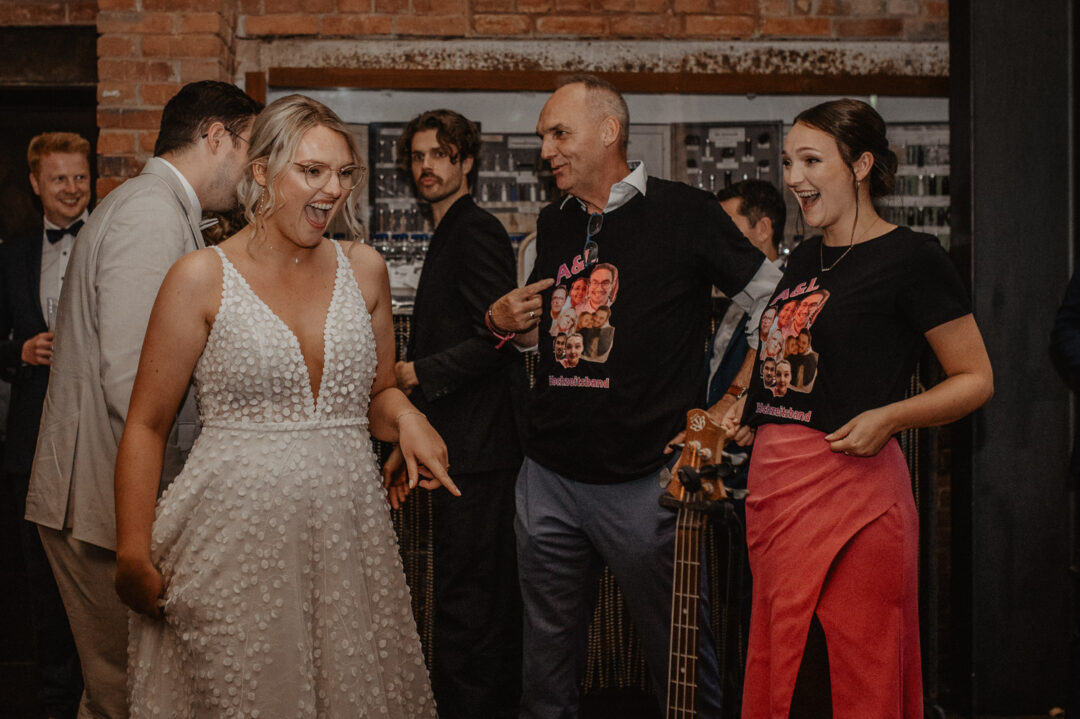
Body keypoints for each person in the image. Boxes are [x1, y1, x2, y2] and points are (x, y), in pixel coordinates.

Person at [113, 94, 453, 717]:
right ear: (262, 171)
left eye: (343, 173)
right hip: (233, 544)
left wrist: (409, 418)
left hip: (348, 541)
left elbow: (375, 395)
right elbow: (146, 423)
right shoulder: (200, 276)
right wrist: (133, 551)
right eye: (312, 171)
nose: (332, 190)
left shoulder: (365, 269)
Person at [488, 74, 782, 717]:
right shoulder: (553, 223)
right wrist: (512, 325)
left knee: (678, 662)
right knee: (544, 665)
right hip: (548, 478)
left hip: (647, 480)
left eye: (559, 133)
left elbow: (777, 303)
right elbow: (551, 341)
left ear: (608, 131)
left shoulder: (686, 213)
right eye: (543, 136)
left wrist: (736, 400)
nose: (546, 150)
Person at [723, 98, 993, 718]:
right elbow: (790, 363)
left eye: (811, 160)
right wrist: (744, 407)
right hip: (777, 499)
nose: (793, 177)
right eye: (789, 161)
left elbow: (976, 378)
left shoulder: (913, 257)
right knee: (788, 679)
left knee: (846, 678)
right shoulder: (804, 261)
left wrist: (890, 417)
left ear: (861, 164)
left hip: (855, 500)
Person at [24, 81, 261, 719]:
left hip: (100, 495)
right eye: (251, 149)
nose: (253, 171)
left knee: (117, 692)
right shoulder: (151, 214)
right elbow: (134, 383)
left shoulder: (157, 206)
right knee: (128, 696)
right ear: (217, 137)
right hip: (98, 503)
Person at [383, 108, 522, 719]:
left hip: (482, 450)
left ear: (466, 162)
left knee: (473, 604)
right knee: (464, 597)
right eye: (417, 156)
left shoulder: (476, 230)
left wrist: (418, 373)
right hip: (452, 439)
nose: (426, 167)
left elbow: (500, 338)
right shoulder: (451, 229)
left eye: (440, 154)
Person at [0, 131, 89, 719]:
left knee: (95, 568)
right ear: (36, 184)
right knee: (42, 576)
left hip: (96, 432)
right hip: (32, 435)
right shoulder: (11, 252)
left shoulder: (110, 241)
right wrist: (18, 350)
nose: (72, 189)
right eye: (59, 178)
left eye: (80, 177)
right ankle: (56, 699)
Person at [702, 179, 788, 409]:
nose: (718, 238)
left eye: (727, 226)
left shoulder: (785, 293)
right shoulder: (739, 289)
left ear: (763, 229)